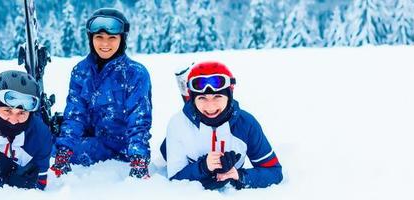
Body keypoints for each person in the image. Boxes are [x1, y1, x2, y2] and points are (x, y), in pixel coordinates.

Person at [50, 8, 152, 179]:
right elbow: (75, 114)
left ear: (122, 39)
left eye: (112, 38)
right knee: (46, 140)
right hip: (90, 138)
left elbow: (139, 120)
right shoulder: (81, 71)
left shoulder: (135, 73)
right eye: (99, 37)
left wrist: (138, 159)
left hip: (120, 147)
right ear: (91, 39)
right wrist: (64, 152)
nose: (105, 44)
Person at [161, 61, 283, 190]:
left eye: (217, 96)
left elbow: (274, 172)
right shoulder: (178, 124)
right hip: (177, 142)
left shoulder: (246, 124)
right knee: (165, 150)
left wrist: (240, 176)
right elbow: (175, 178)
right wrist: (203, 167)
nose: (210, 106)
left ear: (229, 96)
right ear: (193, 99)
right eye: (202, 98)